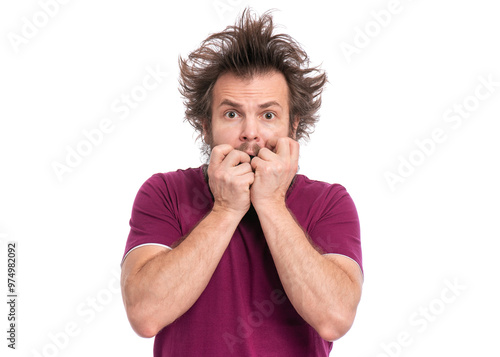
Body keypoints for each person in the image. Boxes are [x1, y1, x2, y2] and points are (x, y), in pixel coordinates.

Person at [120, 8, 363, 357]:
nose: (250, 132)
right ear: (206, 125)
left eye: (268, 115)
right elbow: (145, 315)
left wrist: (272, 203)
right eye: (232, 114)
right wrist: (225, 209)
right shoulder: (164, 193)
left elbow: (335, 318)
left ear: (293, 126)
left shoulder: (329, 202)